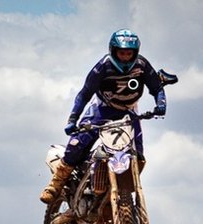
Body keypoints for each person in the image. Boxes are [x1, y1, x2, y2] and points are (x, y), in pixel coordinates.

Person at [40, 28, 170, 204]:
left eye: (129, 53)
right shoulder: (103, 66)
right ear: (113, 50)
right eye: (122, 53)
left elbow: (156, 88)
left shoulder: (142, 65)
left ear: (135, 53)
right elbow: (84, 94)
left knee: (138, 155)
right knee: (78, 143)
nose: (125, 57)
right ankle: (55, 185)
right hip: (101, 109)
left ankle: (121, 189)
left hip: (129, 112)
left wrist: (161, 104)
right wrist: (72, 120)